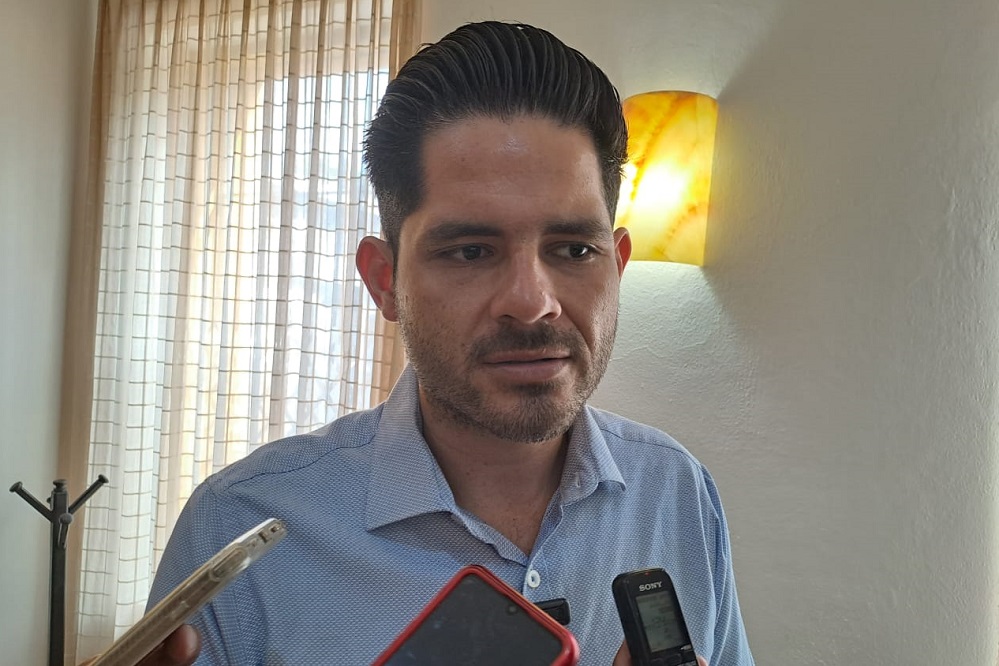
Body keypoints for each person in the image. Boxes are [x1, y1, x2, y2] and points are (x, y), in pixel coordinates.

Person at [85, 21, 753, 666]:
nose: (533, 302)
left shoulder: (677, 493)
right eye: (470, 250)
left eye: (575, 249)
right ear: (385, 281)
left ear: (617, 265)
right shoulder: (237, 526)